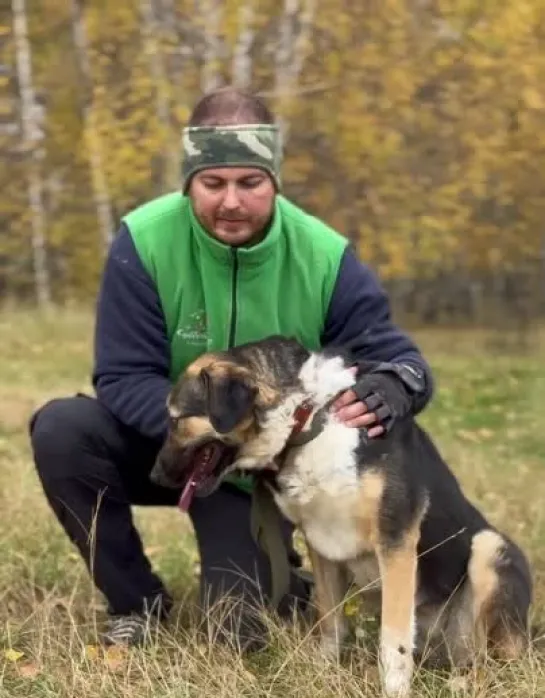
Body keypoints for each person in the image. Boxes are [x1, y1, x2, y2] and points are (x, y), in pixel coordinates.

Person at [29, 85, 434, 650]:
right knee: (63, 431)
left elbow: (396, 356)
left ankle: (281, 581)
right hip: (172, 439)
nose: (231, 202)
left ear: (274, 182)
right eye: (213, 183)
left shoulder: (322, 254)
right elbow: (121, 377)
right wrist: (210, 432)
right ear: (189, 182)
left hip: (264, 471)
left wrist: (396, 382)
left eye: (250, 183)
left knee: (238, 633)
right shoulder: (143, 242)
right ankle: (136, 602)